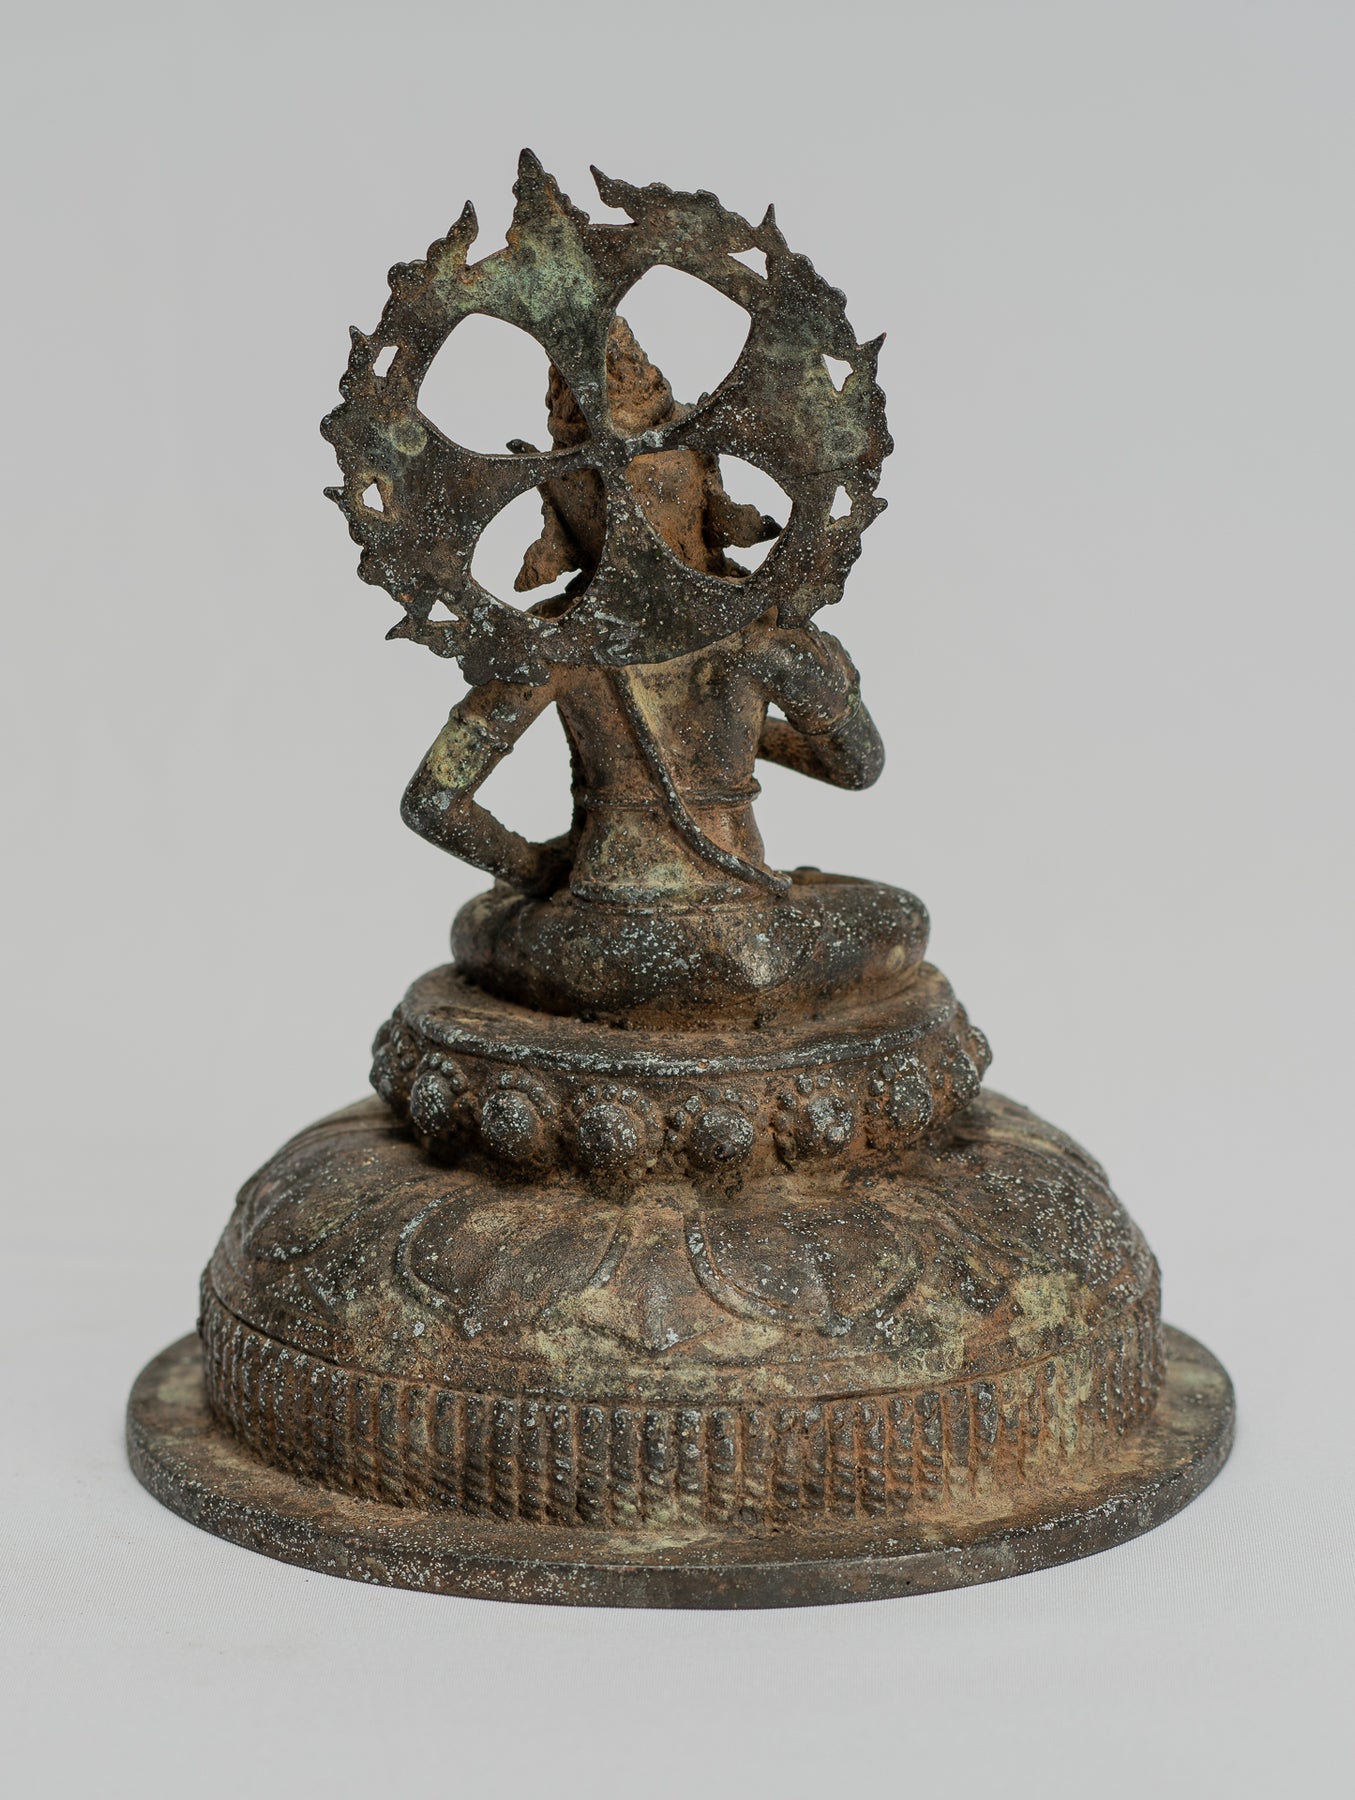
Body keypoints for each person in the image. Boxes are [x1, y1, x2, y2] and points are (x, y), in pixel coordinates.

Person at [401, 322, 927, 1025]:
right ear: (707, 479)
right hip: (749, 939)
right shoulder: (765, 634)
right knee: (898, 915)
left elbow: (434, 803)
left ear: (556, 506)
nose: (631, 512)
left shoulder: (553, 643)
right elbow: (857, 766)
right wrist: (761, 728)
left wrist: (540, 873)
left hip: (595, 940)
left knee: (479, 924)